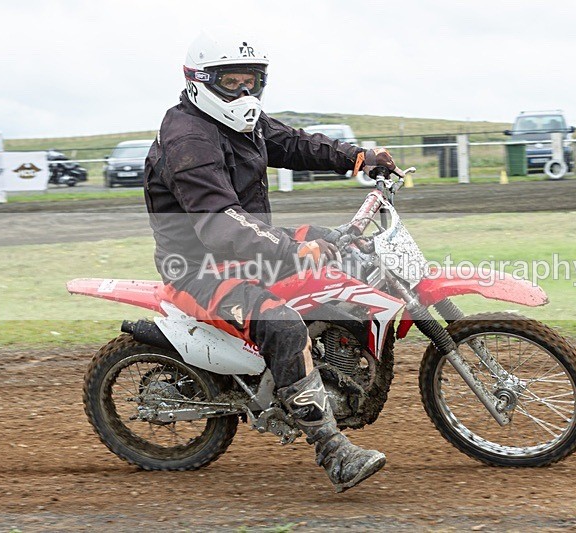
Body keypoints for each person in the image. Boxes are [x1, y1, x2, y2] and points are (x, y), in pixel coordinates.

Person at [144, 32, 401, 492]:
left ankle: (337, 365)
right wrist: (291, 251)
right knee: (281, 322)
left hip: (249, 251)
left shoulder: (246, 123)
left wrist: (360, 158)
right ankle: (330, 448)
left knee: (346, 250)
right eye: (231, 83)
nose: (244, 94)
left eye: (252, 82)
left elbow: (298, 145)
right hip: (200, 269)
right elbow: (220, 223)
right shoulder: (188, 139)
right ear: (200, 81)